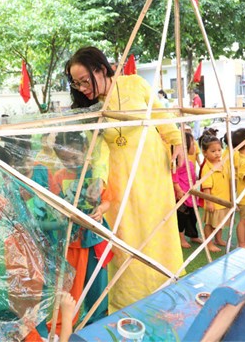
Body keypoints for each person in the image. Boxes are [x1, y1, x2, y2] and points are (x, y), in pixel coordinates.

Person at [65, 46, 184, 310]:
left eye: (85, 80)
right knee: (126, 238)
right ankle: (129, 301)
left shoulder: (135, 84)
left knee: (158, 231)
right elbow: (99, 152)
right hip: (120, 178)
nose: (82, 88)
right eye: (76, 83)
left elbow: (161, 116)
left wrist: (177, 141)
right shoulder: (93, 109)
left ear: (101, 69)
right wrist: (99, 182)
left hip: (152, 171)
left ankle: (167, 287)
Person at [50, 132, 111, 327]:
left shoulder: (95, 174)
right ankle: (64, 323)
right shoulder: (59, 177)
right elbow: (54, 204)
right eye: (65, 159)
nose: (71, 163)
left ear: (85, 150)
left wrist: (100, 210)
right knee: (70, 285)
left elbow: (107, 199)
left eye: (74, 157)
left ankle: (96, 320)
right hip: (71, 240)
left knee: (97, 283)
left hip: (94, 237)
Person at [199, 131, 231, 253]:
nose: (217, 153)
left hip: (223, 200)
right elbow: (206, 188)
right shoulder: (207, 168)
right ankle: (209, 243)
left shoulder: (222, 163)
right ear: (205, 153)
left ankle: (218, 239)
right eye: (213, 151)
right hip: (214, 202)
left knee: (220, 223)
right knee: (210, 224)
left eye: (219, 150)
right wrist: (209, 202)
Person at [172, 132, 202, 248]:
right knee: (182, 217)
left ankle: (193, 235)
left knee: (192, 216)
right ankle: (181, 238)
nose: (195, 146)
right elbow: (174, 175)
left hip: (191, 195)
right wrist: (178, 190)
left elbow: (190, 175)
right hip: (182, 194)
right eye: (193, 144)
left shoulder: (188, 161)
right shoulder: (179, 162)